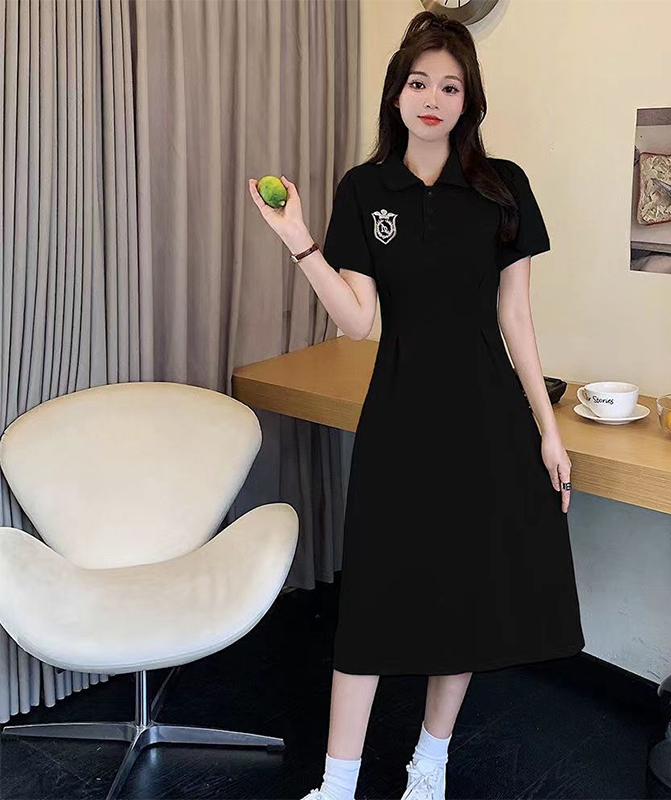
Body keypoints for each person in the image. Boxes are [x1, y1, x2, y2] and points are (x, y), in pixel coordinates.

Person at [247, 11, 584, 800]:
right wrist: (298, 240)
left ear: (469, 100)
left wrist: (548, 431)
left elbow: (516, 320)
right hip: (399, 417)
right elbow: (357, 320)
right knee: (372, 600)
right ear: (396, 94)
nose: (433, 100)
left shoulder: (502, 187)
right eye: (419, 83)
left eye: (450, 87)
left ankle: (430, 764)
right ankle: (337, 784)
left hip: (486, 420)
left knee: (462, 601)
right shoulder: (364, 189)